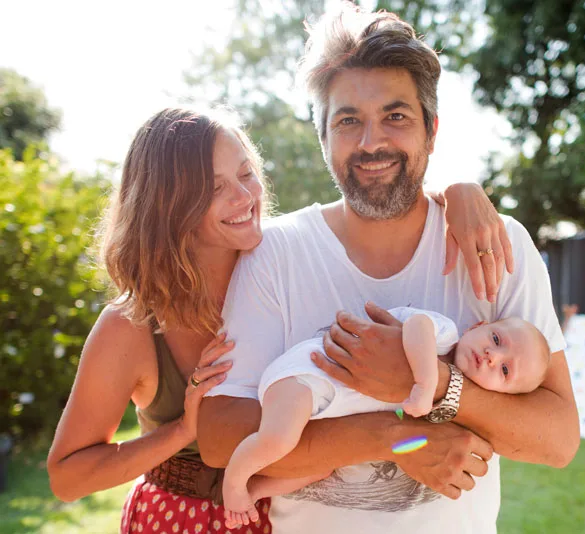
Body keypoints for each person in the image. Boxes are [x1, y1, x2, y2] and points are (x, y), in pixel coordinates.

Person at [198, 4, 580, 534]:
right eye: (348, 120)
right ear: (324, 137)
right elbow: (221, 440)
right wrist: (396, 437)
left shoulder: (497, 245)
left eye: (395, 116)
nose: (371, 142)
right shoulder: (275, 254)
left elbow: (558, 441)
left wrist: (437, 383)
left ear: (432, 129)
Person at [45, 105, 508, 534]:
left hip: (282, 515)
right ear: (167, 205)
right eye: (214, 187)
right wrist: (184, 431)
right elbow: (68, 477)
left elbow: (368, 212)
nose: (245, 196)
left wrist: (458, 193)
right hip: (182, 520)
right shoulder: (132, 324)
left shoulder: (284, 261)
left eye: (246, 174)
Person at [221, 307, 551, 528]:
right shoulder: (445, 335)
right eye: (496, 339)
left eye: (505, 369)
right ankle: (234, 483)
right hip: (307, 376)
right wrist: (425, 382)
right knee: (279, 438)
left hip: (327, 406)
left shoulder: (460, 406)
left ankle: (255, 491)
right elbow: (417, 326)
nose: (493, 356)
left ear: (502, 395)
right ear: (479, 326)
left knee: (318, 469)